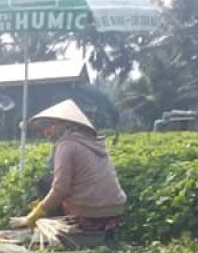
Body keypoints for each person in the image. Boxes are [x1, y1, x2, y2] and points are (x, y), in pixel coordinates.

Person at [12, 99, 126, 238]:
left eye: (50, 126)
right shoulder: (93, 142)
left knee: (45, 183)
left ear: (64, 125)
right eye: (44, 129)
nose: (46, 132)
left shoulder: (66, 145)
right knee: (49, 181)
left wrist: (38, 211)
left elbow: (61, 189)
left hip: (89, 214)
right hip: (114, 211)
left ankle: (58, 232)